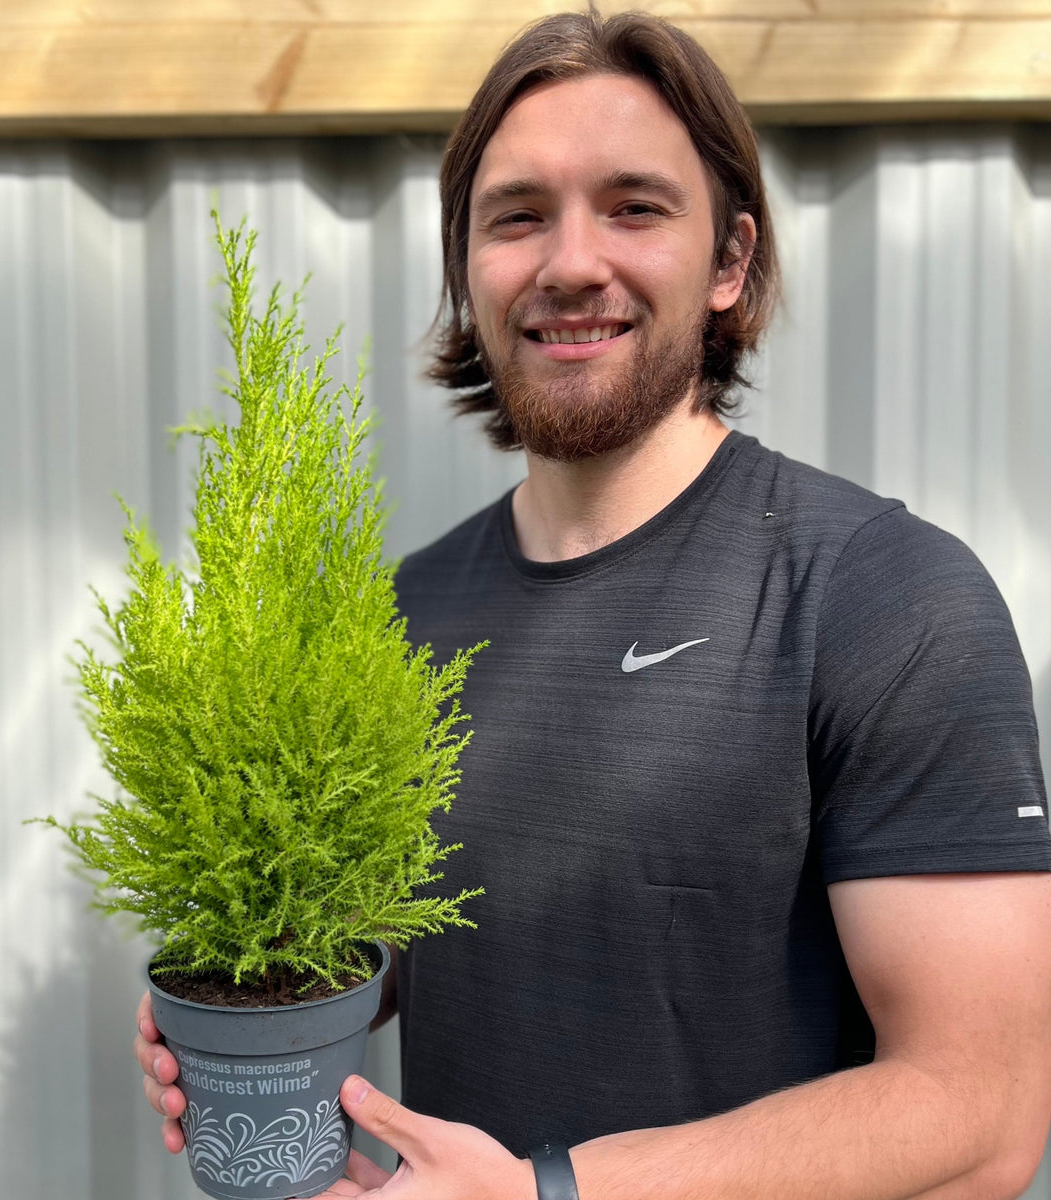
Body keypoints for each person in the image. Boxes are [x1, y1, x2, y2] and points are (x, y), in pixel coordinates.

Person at [136, 10, 1051, 1199]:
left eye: (634, 207)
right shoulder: (395, 619)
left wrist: (546, 1191)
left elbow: (981, 1113)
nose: (570, 262)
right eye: (518, 216)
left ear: (728, 262)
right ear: (469, 271)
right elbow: (408, 949)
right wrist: (245, 1003)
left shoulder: (884, 597)